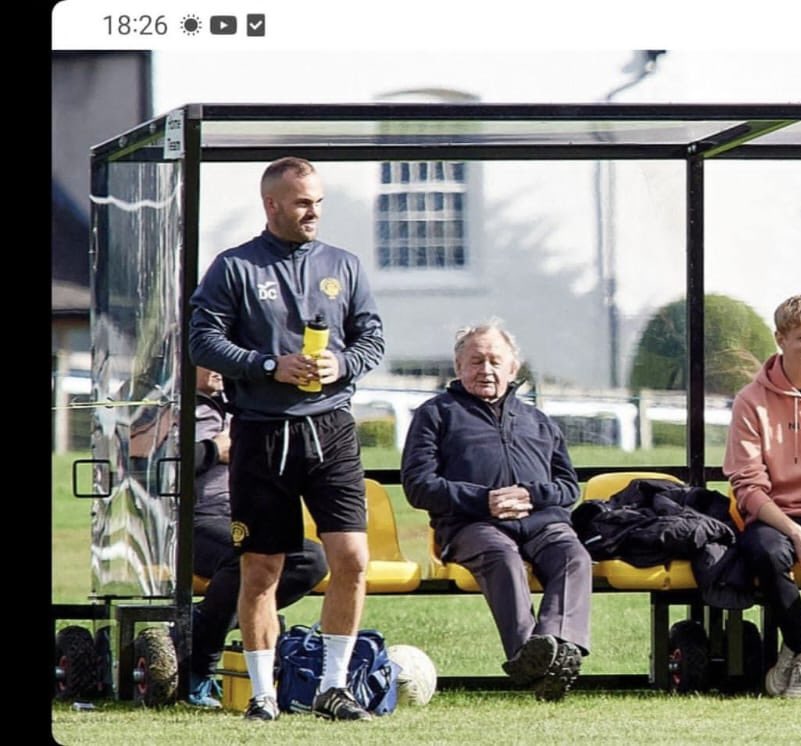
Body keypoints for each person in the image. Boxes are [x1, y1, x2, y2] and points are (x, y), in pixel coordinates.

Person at [188, 157, 385, 721]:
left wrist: (341, 365)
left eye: (318, 201)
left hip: (331, 429)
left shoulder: (342, 265)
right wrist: (269, 364)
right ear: (272, 204)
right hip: (262, 434)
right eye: (302, 202)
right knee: (261, 568)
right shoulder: (234, 268)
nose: (313, 212)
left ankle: (333, 687)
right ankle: (264, 698)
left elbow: (372, 338)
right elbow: (203, 342)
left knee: (350, 558)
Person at [401, 319, 591, 701]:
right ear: (458, 367)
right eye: (475, 361)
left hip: (541, 521)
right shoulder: (435, 415)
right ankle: (529, 656)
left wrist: (531, 496)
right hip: (472, 524)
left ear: (512, 368)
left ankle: (554, 648)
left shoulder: (539, 421)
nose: (485, 369)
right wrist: (482, 499)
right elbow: (418, 485)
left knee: (574, 556)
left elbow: (569, 486)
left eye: (494, 361)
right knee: (501, 556)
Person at [186, 365, 328, 708]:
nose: (222, 368)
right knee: (245, 558)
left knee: (310, 558)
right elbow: (148, 466)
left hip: (248, 511)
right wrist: (211, 450)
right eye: (211, 360)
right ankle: (201, 663)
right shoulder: (167, 407)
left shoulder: (244, 404)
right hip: (192, 520)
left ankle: (201, 625)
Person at [723, 294, 801, 699]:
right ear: (780, 339)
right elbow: (749, 488)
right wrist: (794, 530)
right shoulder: (750, 402)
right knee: (767, 552)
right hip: (774, 516)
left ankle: (795, 650)